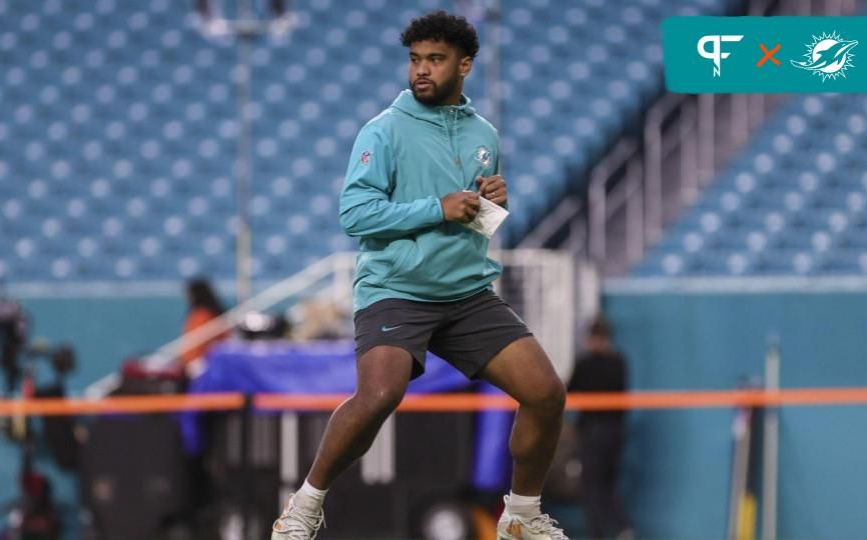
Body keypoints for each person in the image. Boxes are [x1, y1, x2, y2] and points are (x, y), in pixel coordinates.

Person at [271, 11, 568, 540]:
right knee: (380, 394)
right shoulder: (382, 130)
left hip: (467, 292)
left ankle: (521, 517)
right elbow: (355, 215)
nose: (421, 71)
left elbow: (469, 216)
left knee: (545, 393)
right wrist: (437, 207)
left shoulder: (484, 135)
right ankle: (304, 506)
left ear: (465, 65)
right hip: (396, 290)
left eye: (435, 59)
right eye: (415, 60)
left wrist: (493, 206)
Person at [567, 317, 632, 540]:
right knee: (605, 483)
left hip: (597, 432)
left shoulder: (590, 363)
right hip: (613, 431)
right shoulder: (617, 361)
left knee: (595, 485)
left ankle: (603, 533)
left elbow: (569, 390)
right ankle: (620, 529)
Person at [179, 278, 229, 368]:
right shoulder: (213, 314)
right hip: (209, 361)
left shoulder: (202, 315)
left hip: (200, 363)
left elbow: (196, 345)